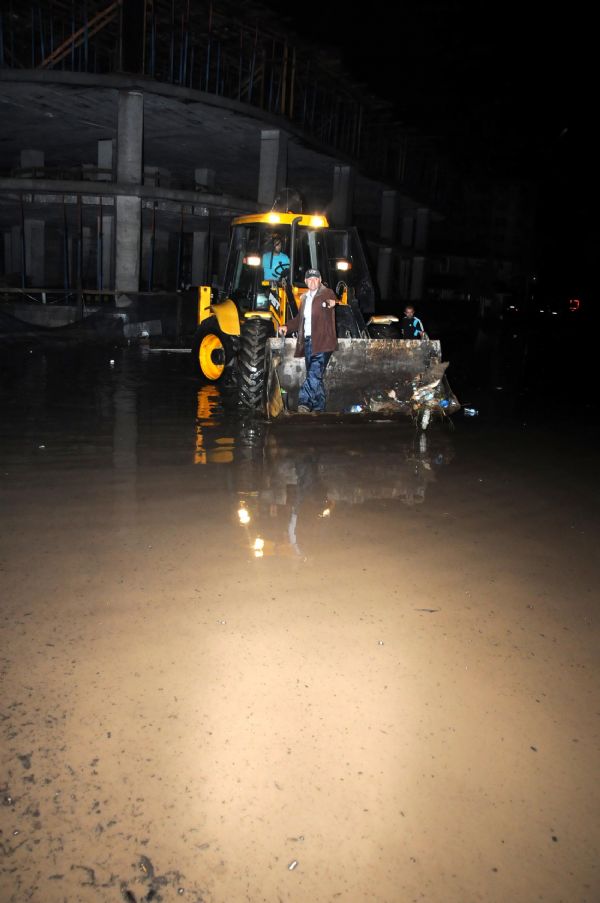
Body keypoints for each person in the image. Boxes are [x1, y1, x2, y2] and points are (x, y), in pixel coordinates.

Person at [278, 269, 337, 413]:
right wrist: (287, 326)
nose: (312, 281)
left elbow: (331, 301)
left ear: (320, 280)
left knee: (313, 374)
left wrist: (330, 303)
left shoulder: (326, 293)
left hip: (323, 342)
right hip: (309, 342)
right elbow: (299, 320)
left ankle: (303, 403)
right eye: (309, 279)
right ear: (305, 281)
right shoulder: (304, 299)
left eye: (315, 279)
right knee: (316, 376)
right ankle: (319, 409)